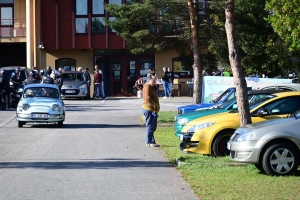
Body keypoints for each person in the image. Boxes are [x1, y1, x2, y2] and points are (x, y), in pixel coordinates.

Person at [142, 74, 160, 147]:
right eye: (153, 81)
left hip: (152, 109)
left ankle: (152, 141)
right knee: (150, 126)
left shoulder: (151, 86)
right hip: (149, 108)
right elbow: (147, 98)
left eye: (155, 81)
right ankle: (149, 142)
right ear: (149, 80)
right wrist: (155, 104)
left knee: (153, 126)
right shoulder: (147, 87)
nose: (154, 82)